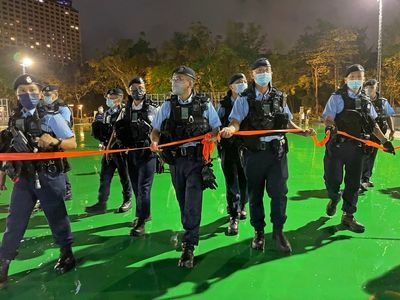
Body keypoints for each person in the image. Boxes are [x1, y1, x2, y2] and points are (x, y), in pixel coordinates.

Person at [220, 58, 315, 253]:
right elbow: (236, 121)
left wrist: (300, 131)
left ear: (271, 72)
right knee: (255, 194)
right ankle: (259, 232)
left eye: (267, 70)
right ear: (253, 74)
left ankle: (278, 231)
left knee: (279, 193)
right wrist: (230, 128)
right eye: (259, 70)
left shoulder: (280, 97)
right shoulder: (244, 98)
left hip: (277, 154)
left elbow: (286, 121)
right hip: (254, 154)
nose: (264, 73)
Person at [0, 74, 77, 287]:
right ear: (16, 95)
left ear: (40, 93)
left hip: (49, 176)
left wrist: (54, 141)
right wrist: (2, 175)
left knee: (57, 217)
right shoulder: (14, 118)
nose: (28, 95)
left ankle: (66, 253)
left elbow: (72, 144)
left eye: (32, 90)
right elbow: (7, 150)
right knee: (14, 220)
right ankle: (3, 262)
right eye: (22, 91)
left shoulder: (51, 117)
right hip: (23, 178)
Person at [150, 66, 220, 268]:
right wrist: (154, 141)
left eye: (179, 79)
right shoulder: (167, 106)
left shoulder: (204, 104)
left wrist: (214, 136)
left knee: (192, 199)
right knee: (183, 199)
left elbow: (215, 126)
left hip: (197, 161)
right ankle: (189, 228)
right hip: (175, 161)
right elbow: (155, 129)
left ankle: (189, 244)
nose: (174, 82)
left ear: (190, 82)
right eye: (173, 79)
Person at [322, 64, 395, 233]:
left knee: (353, 183)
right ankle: (334, 197)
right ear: (346, 79)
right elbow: (328, 118)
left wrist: (384, 141)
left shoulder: (366, 101)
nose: (356, 80)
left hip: (357, 148)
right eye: (352, 76)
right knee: (332, 180)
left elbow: (373, 124)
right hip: (337, 147)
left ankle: (348, 215)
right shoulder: (336, 97)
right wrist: (330, 126)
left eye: (359, 77)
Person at [113, 77, 158, 236]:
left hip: (148, 152)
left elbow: (160, 128)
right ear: (129, 91)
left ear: (145, 88)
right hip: (131, 153)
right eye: (133, 89)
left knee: (144, 187)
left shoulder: (153, 109)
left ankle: (140, 219)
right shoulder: (125, 110)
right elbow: (117, 129)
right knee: (136, 186)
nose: (137, 91)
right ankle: (146, 213)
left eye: (140, 87)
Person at [85, 88, 133, 214]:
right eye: (108, 97)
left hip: (121, 150)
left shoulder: (125, 112)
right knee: (104, 177)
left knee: (125, 177)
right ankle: (102, 203)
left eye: (111, 98)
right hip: (108, 150)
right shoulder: (107, 113)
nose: (108, 100)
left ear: (119, 99)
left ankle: (127, 200)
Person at [217, 73, 248, 235]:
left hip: (248, 148)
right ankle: (233, 214)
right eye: (238, 82)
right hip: (228, 148)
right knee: (231, 182)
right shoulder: (223, 105)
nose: (242, 84)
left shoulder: (251, 102)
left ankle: (243, 204)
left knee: (245, 179)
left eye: (244, 81)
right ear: (231, 87)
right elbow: (216, 124)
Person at [360, 79, 396, 191]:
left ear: (376, 88)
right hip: (365, 132)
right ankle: (360, 179)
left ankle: (366, 178)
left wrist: (392, 130)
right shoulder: (361, 100)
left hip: (379, 133)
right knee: (364, 154)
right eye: (367, 87)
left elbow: (389, 115)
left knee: (372, 154)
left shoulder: (383, 101)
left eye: (372, 87)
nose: (369, 89)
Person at [42, 85, 73, 201]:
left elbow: (64, 125)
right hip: (49, 141)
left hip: (59, 140)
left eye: (48, 95)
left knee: (60, 164)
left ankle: (67, 190)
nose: (45, 97)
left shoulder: (62, 108)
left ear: (56, 95)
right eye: (44, 95)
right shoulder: (47, 107)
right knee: (56, 164)